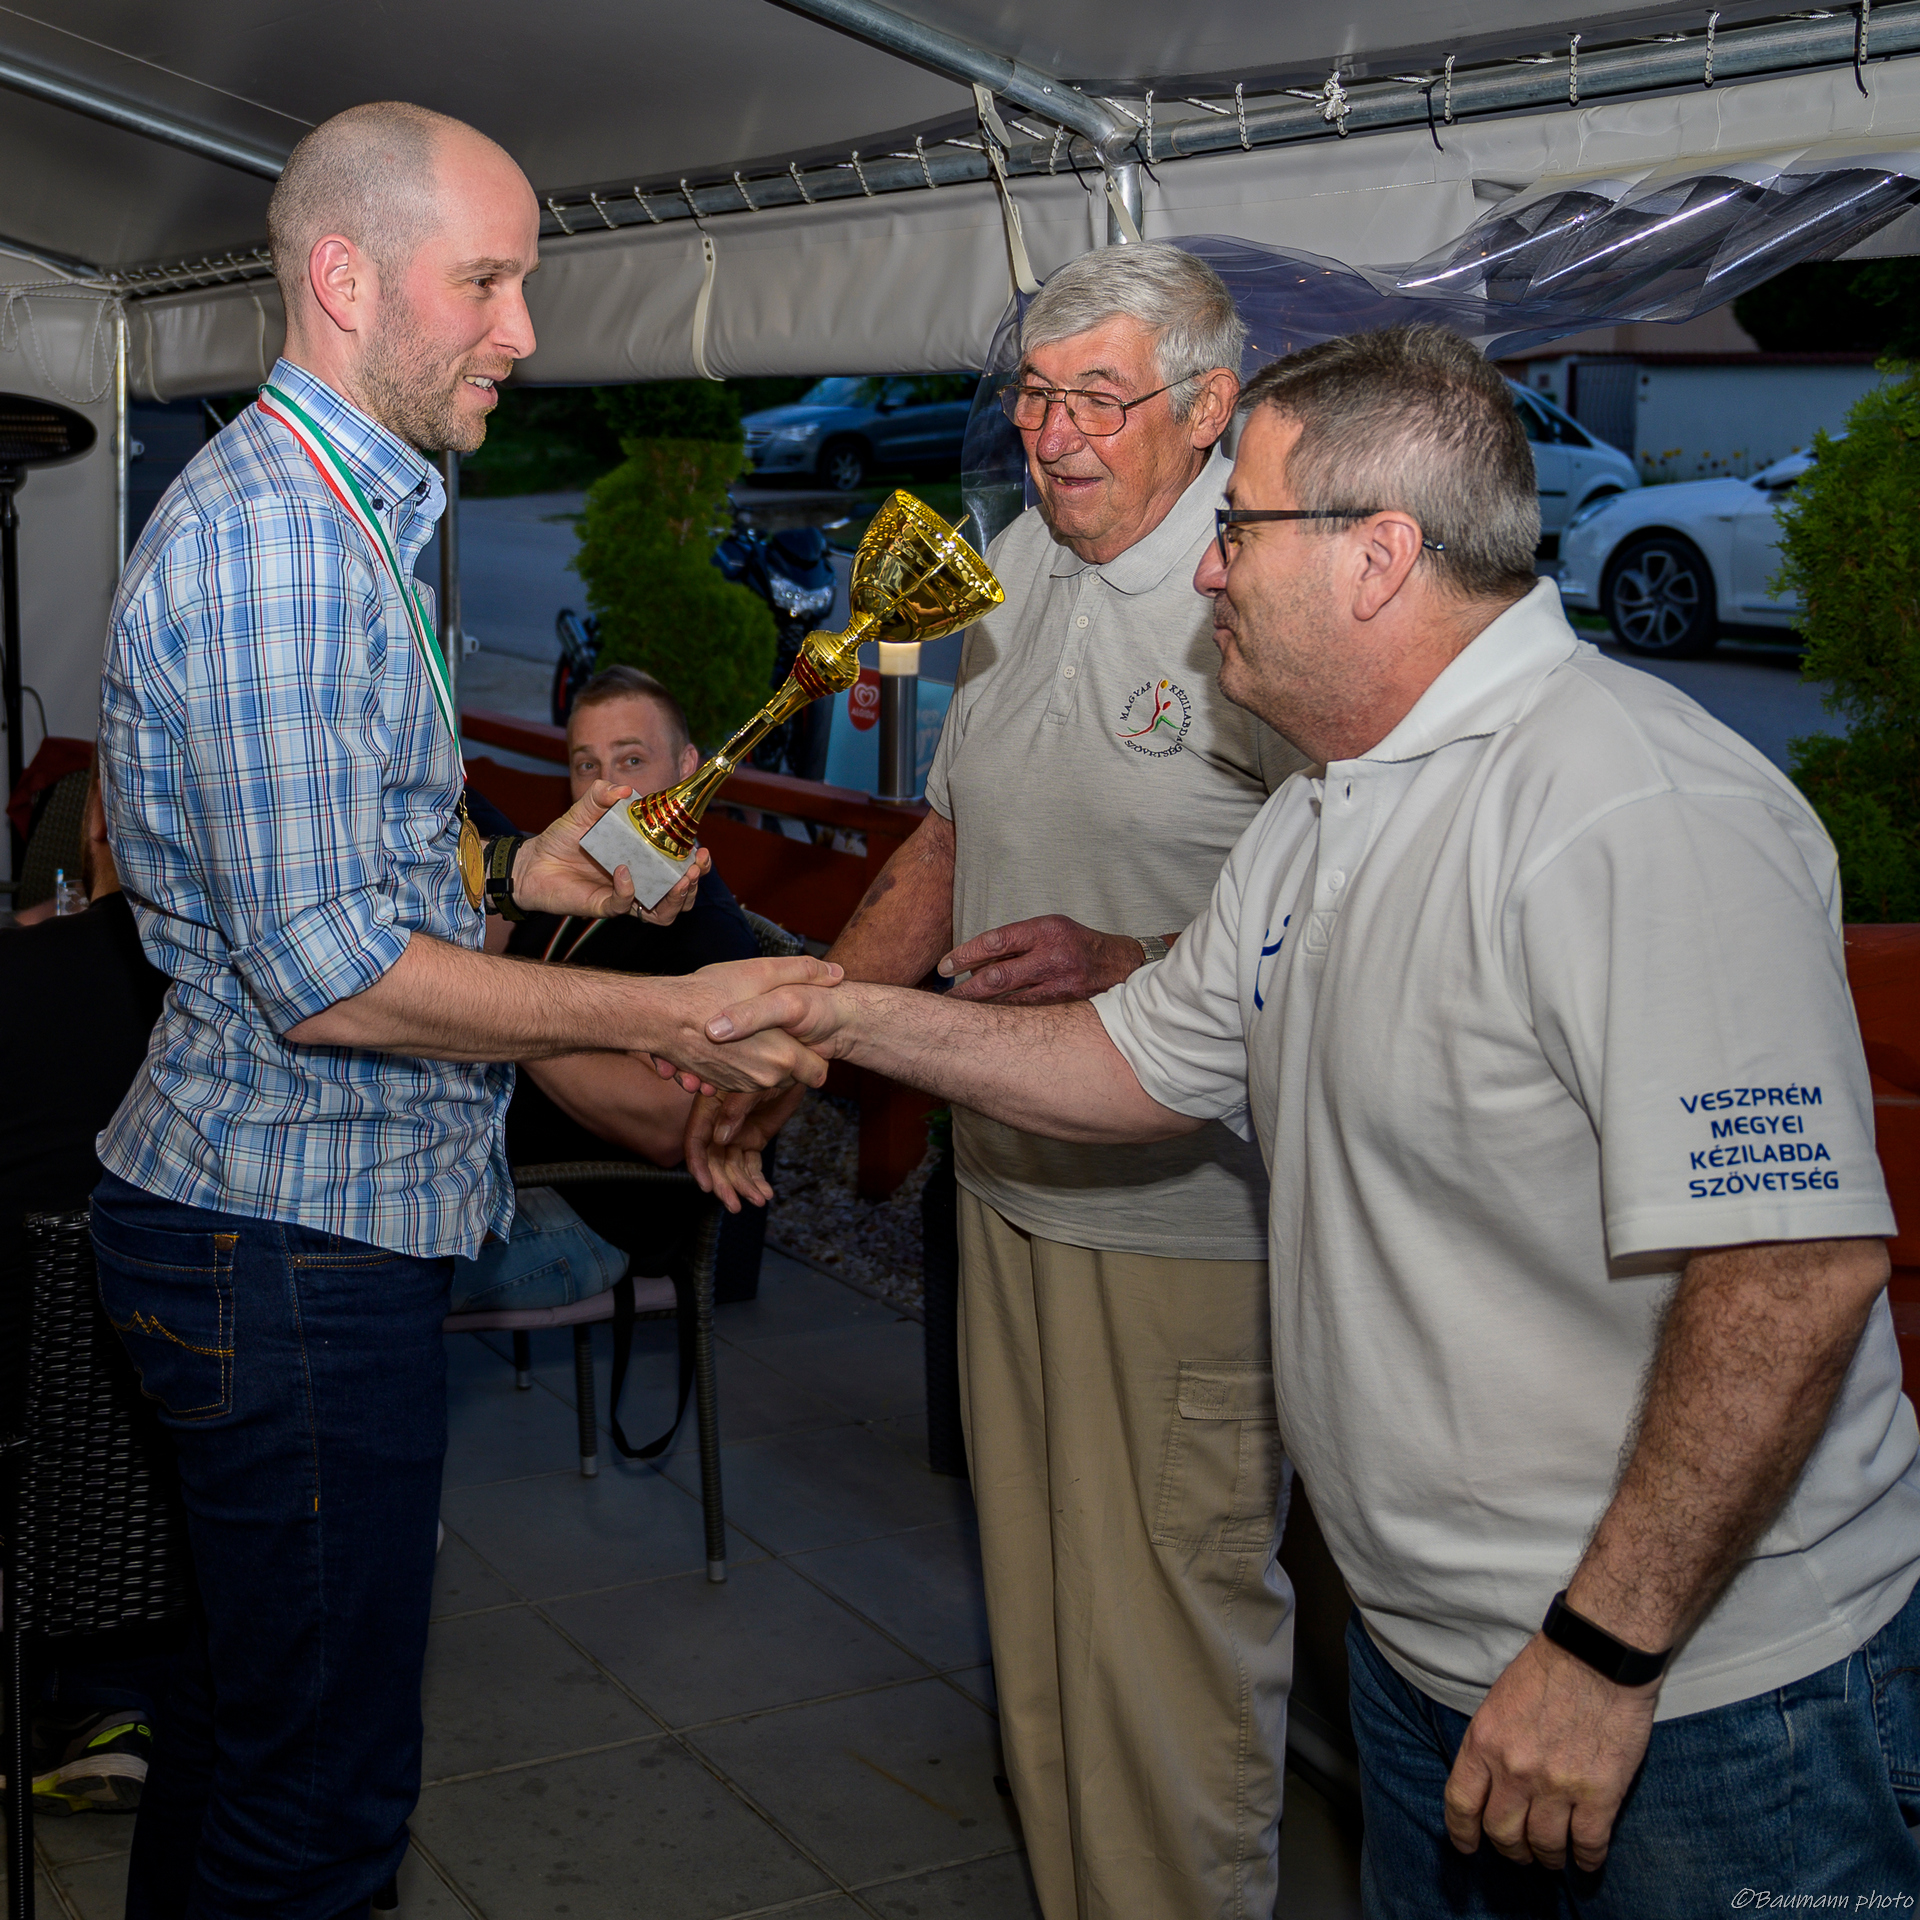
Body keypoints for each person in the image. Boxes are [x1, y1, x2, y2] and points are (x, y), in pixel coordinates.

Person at [696, 325, 1920, 1910]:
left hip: (1698, 1701)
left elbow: (1793, 1272)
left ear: (1378, 555)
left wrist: (1603, 1651)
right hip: (1430, 1659)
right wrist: (839, 1014)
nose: (1207, 572)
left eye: (1237, 526)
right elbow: (1129, 1064)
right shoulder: (1326, 808)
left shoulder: (1635, 812)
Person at [92, 100, 829, 1919]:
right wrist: (668, 1022)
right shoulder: (284, 541)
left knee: (239, 1736)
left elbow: (331, 877)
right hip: (289, 1236)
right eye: (486, 282)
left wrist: (516, 870)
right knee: (320, 1810)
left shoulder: (342, 514)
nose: (524, 328)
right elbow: (330, 976)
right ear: (346, 278)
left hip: (282, 1224)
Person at [705, 243, 1304, 1920]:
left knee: (1168, 1652)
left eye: (1098, 398)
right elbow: (947, 841)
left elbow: (1358, 913)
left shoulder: (1265, 598)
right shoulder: (1024, 560)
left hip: (1186, 1222)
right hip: (1008, 1188)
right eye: (1035, 396)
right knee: (1038, 1629)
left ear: (1208, 408)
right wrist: (813, 1036)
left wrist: (1133, 962)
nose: (1052, 435)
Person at [453, 664, 761, 1314]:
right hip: (489, 1166)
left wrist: (506, 1014)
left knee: (365, 1275)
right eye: (586, 765)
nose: (609, 788)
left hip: (592, 1213)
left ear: (688, 766)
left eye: (632, 760)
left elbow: (671, 1126)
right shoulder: (579, 881)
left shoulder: (707, 932)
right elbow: (480, 954)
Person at [0, 773, 172, 1818]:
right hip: (177, 1413)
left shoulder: (20, 978)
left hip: (20, 1413)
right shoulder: (244, 1010)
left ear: (97, 830)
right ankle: (118, 1700)